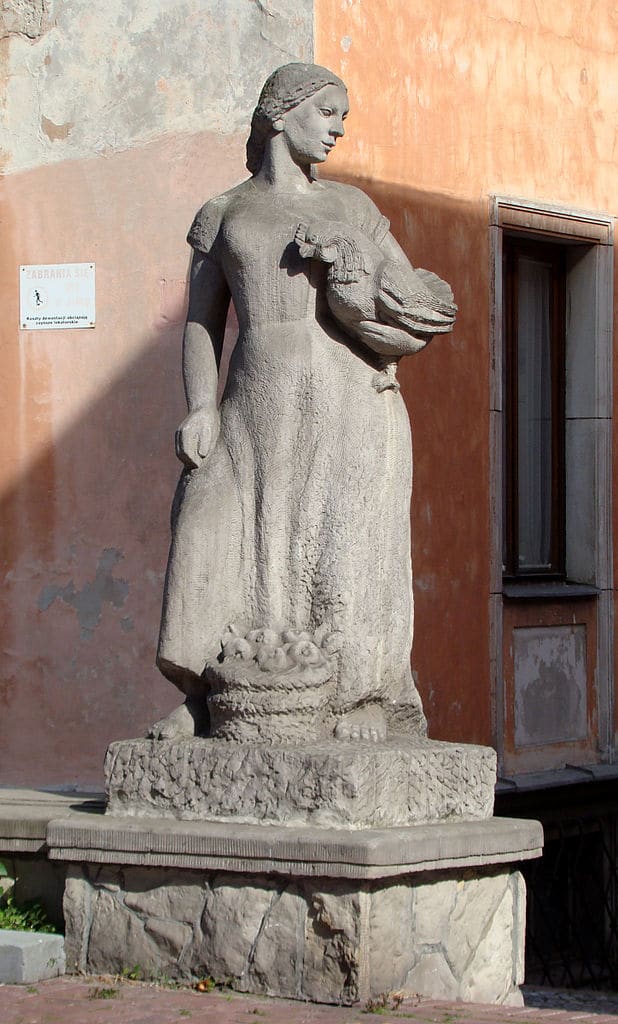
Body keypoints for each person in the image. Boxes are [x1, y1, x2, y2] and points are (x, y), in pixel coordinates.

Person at [153, 63, 437, 743]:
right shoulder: (222, 213)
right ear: (280, 114)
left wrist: (353, 269)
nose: (339, 128)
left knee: (347, 545)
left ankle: (360, 698)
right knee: (212, 521)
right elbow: (200, 323)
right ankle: (210, 693)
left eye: (344, 116)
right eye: (329, 111)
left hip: (349, 395)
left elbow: (411, 293)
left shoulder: (353, 209)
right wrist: (200, 406)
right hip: (256, 392)